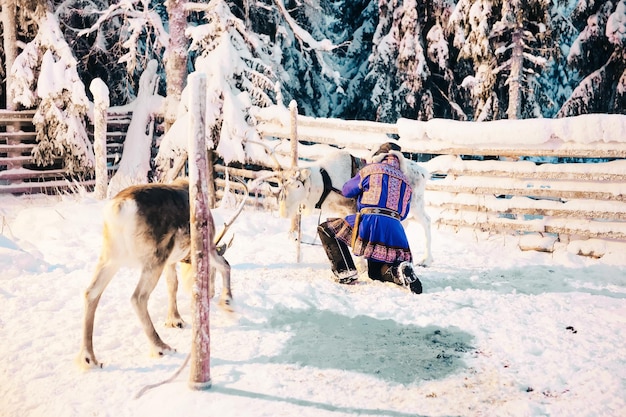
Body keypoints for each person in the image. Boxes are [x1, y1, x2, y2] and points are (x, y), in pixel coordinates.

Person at [317, 142, 423, 294]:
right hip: (395, 228)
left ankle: (346, 272)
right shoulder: (405, 182)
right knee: (375, 273)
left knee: (326, 229)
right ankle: (398, 272)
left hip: (369, 222)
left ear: (379, 157)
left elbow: (347, 190)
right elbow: (404, 213)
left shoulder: (370, 170)